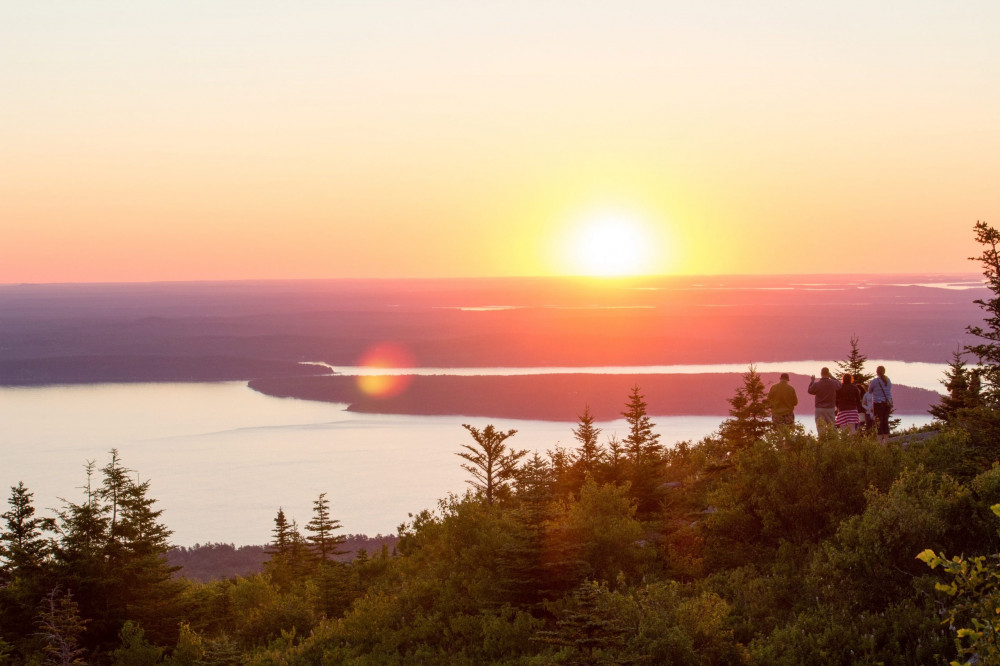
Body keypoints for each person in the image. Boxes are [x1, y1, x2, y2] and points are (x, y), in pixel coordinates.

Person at [808, 367, 841, 433]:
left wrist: (812, 381)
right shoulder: (833, 383)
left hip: (819, 409)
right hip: (830, 408)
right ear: (828, 373)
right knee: (832, 429)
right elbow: (840, 385)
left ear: (821, 374)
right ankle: (832, 443)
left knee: (820, 429)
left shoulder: (817, 385)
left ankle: (822, 442)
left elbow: (810, 391)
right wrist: (832, 377)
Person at [869, 365, 894, 444]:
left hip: (878, 404)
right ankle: (886, 442)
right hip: (887, 403)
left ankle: (880, 442)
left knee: (879, 422)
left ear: (877, 372)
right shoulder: (888, 380)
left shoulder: (875, 381)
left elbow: (869, 390)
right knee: (885, 421)